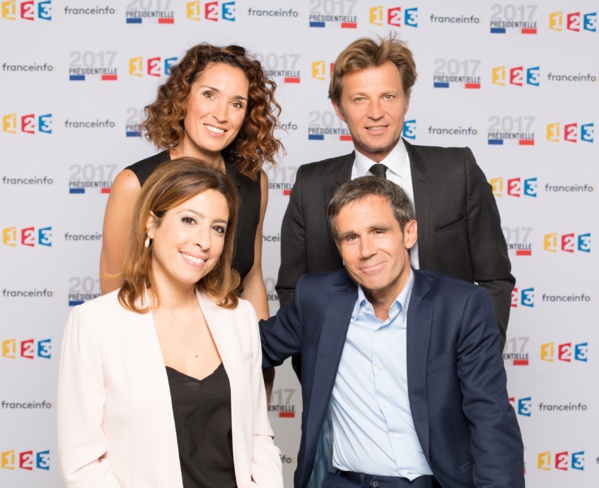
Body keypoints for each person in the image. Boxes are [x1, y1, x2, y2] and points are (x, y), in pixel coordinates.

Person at [261, 176, 524, 488]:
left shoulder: (461, 306)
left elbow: (490, 418)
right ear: (339, 247)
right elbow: (248, 348)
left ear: (409, 233)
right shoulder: (318, 299)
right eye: (351, 237)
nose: (366, 250)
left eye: (378, 231)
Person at [276, 34, 513, 352]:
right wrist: (319, 366)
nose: (376, 112)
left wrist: (479, 360)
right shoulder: (311, 185)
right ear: (338, 107)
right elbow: (293, 290)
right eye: (360, 99)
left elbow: (494, 279)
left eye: (388, 96)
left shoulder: (457, 171)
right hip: (350, 369)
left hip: (445, 363)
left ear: (406, 99)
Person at [58, 159, 283, 488]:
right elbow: (82, 465)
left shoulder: (240, 317)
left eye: (218, 228)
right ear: (151, 224)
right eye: (189, 220)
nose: (204, 241)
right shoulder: (94, 324)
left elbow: (258, 436)